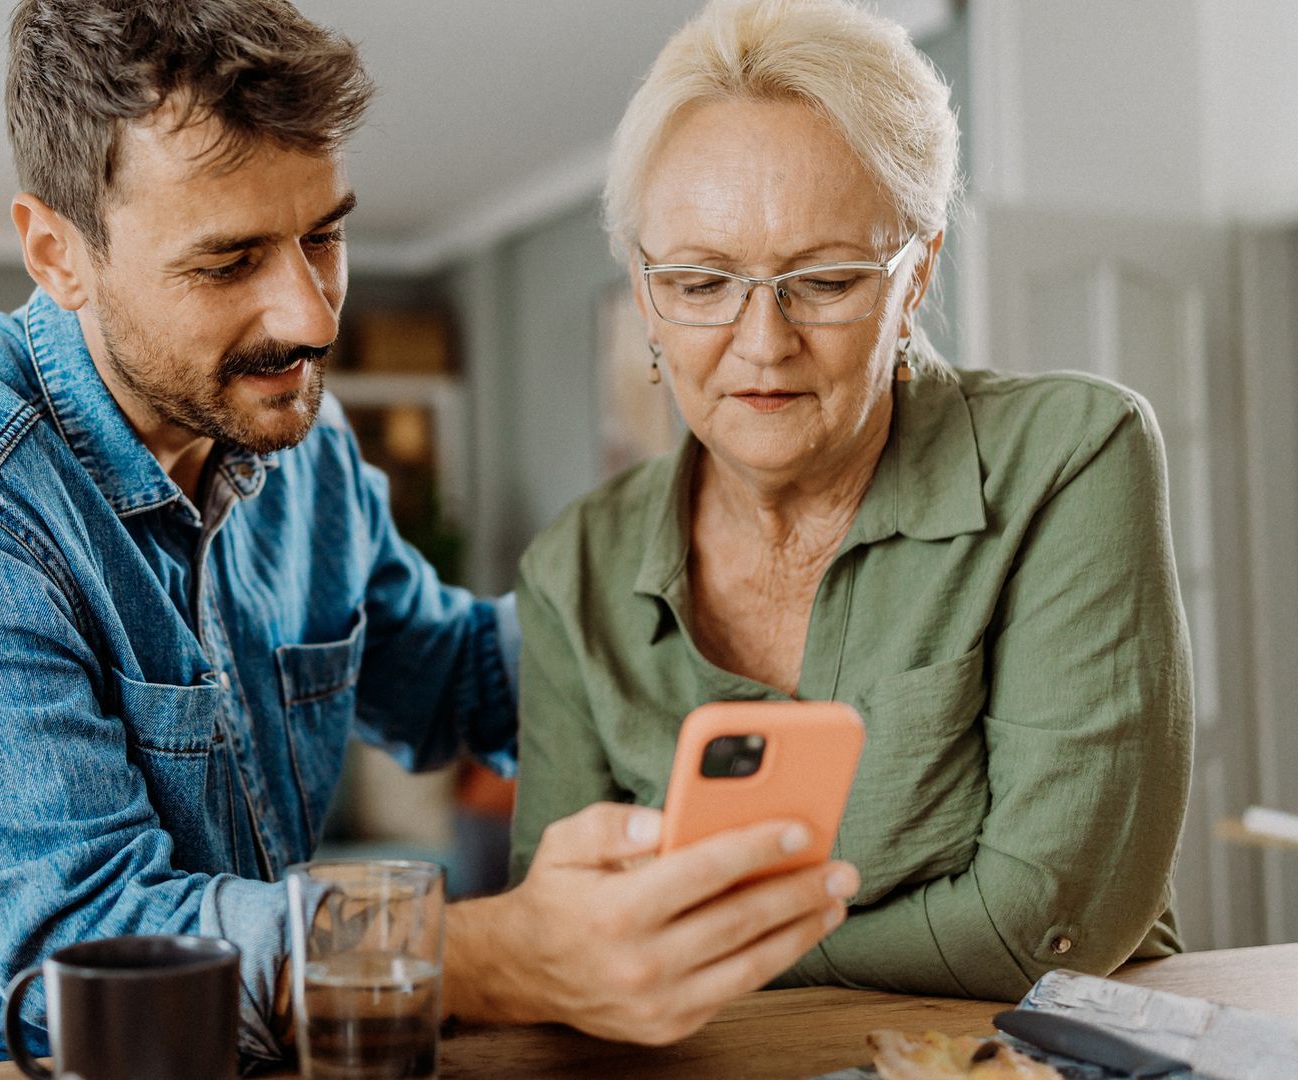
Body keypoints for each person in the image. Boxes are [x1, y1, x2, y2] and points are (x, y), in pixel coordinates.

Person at [0, 1, 859, 1075]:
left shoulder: (296, 449)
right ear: (56, 252)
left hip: (246, 1046)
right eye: (228, 262)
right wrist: (501, 954)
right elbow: (94, 946)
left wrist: (751, 588)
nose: (312, 317)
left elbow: (458, 676)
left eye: (324, 236)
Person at [511, 0, 1193, 1003]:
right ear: (643, 287)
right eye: (701, 283)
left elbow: (1043, 922)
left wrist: (704, 956)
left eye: (824, 282)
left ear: (917, 273)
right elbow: (566, 925)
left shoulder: (1073, 458)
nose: (761, 342)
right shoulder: (574, 566)